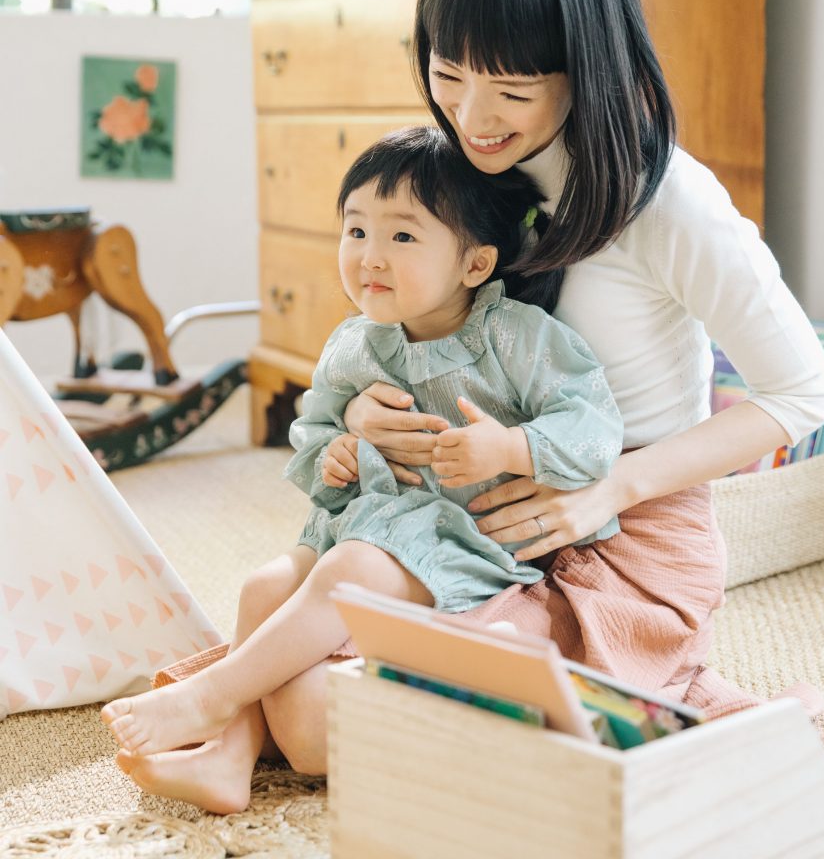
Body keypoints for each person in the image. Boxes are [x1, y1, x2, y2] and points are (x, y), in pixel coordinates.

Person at [109, 0, 824, 810]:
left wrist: (606, 487)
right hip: (467, 518)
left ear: (588, 69)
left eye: (513, 89)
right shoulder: (466, 163)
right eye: (449, 73)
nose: (473, 112)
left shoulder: (670, 204)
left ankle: (707, 716)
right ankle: (233, 737)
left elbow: (799, 393)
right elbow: (418, 310)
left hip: (617, 541)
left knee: (320, 722)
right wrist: (372, 404)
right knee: (282, 622)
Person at [102, 124, 623, 811]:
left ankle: (213, 695)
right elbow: (312, 437)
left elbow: (592, 425)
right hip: (361, 525)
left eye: (402, 237)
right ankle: (228, 756)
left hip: (459, 541)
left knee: (347, 574)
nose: (369, 257)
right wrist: (337, 454)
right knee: (264, 589)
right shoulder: (354, 345)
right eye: (355, 232)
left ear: (473, 264)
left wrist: (510, 448)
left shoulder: (514, 338)